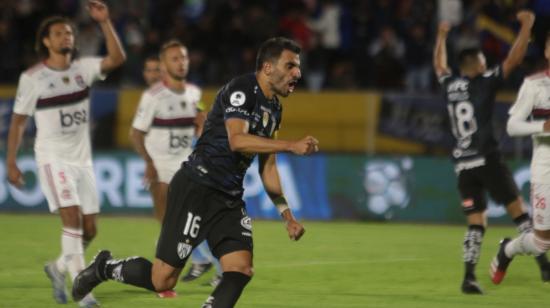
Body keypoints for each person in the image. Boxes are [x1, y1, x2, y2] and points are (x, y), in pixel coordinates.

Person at [72, 37, 317, 307]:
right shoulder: (243, 90)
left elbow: (267, 165)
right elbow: (237, 140)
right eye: (290, 65)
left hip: (228, 198)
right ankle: (104, 267)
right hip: (197, 187)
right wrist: (291, 146)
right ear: (268, 68)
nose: (298, 73)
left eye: (298, 66)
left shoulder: (274, 109)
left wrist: (287, 215)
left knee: (241, 269)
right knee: (162, 280)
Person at [4, 1, 125, 307]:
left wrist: (105, 22)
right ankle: (84, 293)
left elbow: (117, 58)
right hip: (52, 157)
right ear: (46, 41)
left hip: (82, 160)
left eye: (69, 32)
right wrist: (12, 161)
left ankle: (58, 268)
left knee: (90, 229)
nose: (66, 37)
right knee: (71, 217)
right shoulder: (33, 78)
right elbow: (18, 122)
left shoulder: (82, 69)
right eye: (59, 33)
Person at [433, 11, 549, 295]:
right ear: (479, 64)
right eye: (484, 62)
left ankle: (469, 278)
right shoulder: (483, 82)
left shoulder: (451, 86)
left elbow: (439, 66)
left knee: (476, 223)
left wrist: (441, 36)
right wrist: (526, 28)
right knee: (520, 214)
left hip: (463, 164)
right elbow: (514, 59)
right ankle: (544, 265)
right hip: (488, 159)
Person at [130, 40, 220, 295]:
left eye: (184, 58)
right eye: (175, 59)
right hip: (160, 169)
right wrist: (148, 163)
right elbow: (135, 133)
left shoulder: (193, 93)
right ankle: (163, 282)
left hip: (188, 166)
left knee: (198, 221)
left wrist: (201, 126)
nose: (181, 63)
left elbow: (199, 126)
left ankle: (209, 264)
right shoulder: (152, 96)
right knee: (169, 225)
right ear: (163, 64)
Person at [490, 31, 550, 284]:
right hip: (545, 168)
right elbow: (512, 126)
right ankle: (507, 249)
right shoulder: (535, 85)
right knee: (541, 243)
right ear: (547, 52)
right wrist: (542, 127)